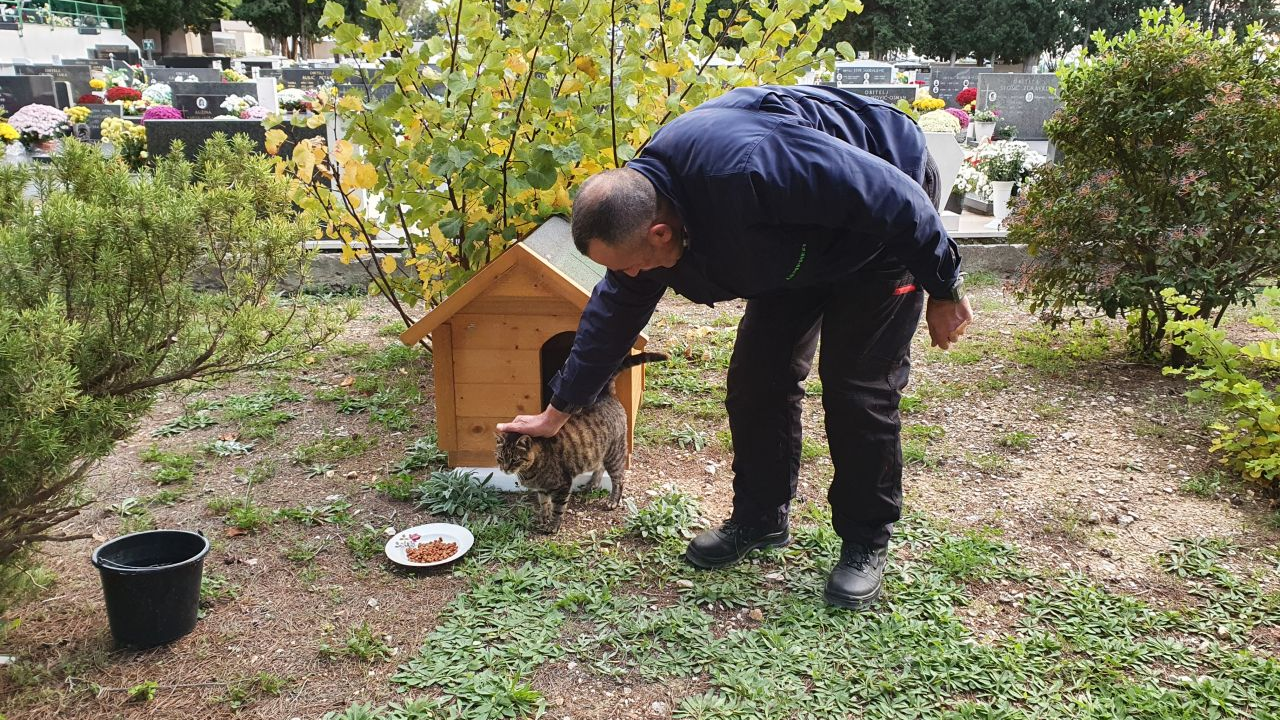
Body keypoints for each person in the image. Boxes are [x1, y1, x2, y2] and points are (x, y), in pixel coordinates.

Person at [497, 85, 973, 610]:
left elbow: (895, 197)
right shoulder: (641, 218)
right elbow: (611, 316)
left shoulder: (753, 167)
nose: (629, 276)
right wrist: (557, 412)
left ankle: (865, 540)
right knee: (756, 381)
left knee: (856, 388)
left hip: (881, 225)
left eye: (630, 263)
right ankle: (761, 517)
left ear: (659, 233)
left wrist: (944, 287)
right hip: (792, 249)